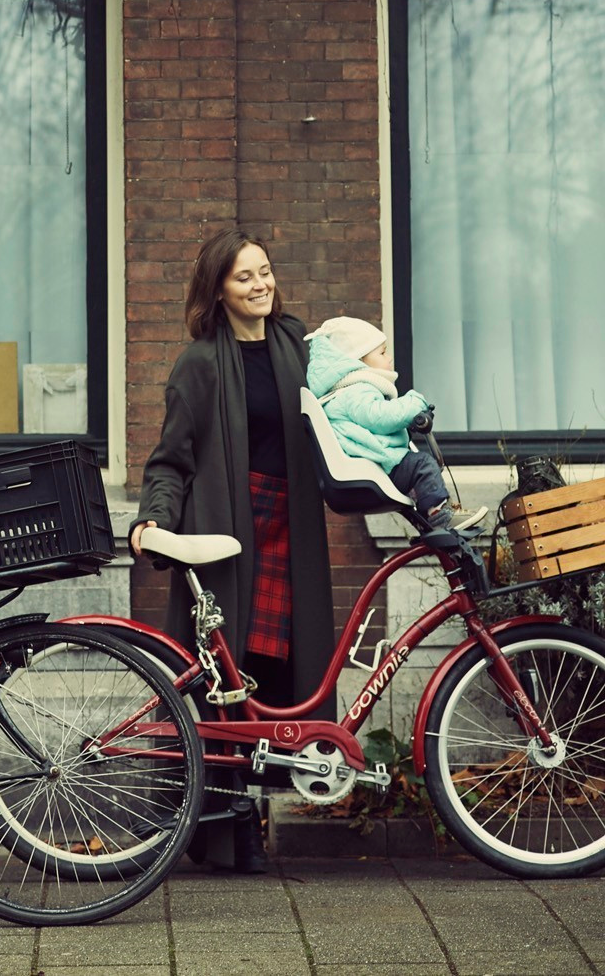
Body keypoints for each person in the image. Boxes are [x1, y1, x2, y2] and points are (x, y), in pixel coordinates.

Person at [130, 228, 334, 874]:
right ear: (218, 288)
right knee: (223, 676)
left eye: (266, 271)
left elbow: (348, 405)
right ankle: (222, 825)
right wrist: (154, 519)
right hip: (226, 527)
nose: (260, 284)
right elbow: (172, 456)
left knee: (275, 675)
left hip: (288, 525)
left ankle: (251, 814)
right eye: (245, 276)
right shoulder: (199, 361)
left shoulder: (297, 346)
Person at [304, 316, 486, 533]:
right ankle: (439, 516)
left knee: (417, 467)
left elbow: (370, 426)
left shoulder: (344, 393)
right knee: (423, 466)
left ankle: (429, 520)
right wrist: (414, 404)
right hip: (377, 466)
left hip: (373, 463)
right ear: (358, 361)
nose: (389, 358)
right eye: (382, 353)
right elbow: (380, 417)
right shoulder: (355, 391)